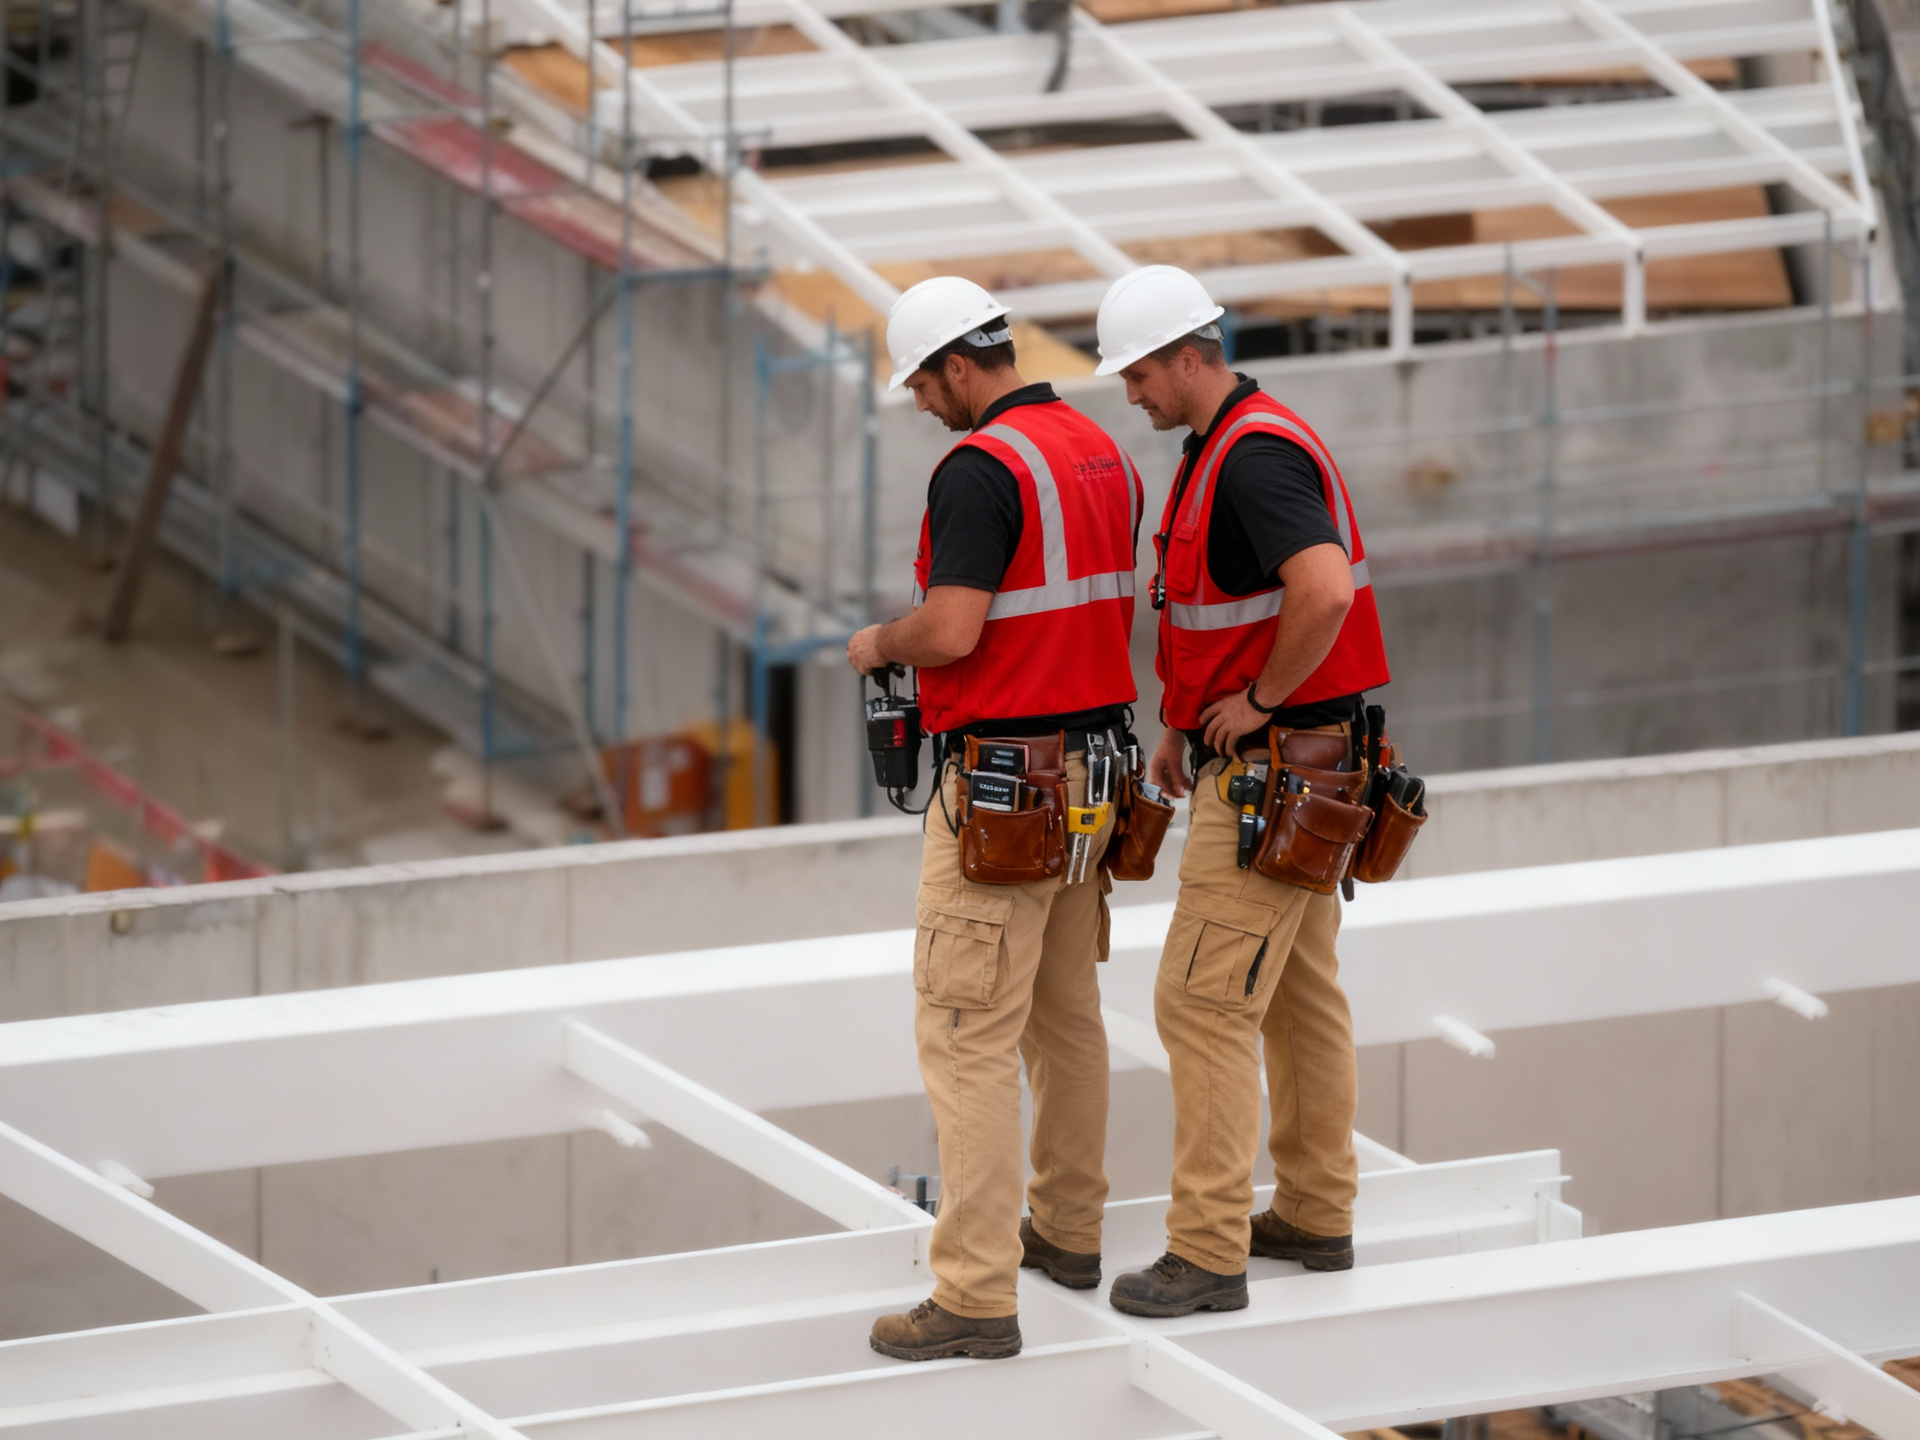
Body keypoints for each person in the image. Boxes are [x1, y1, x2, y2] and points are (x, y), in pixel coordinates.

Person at [848, 276, 1146, 1361]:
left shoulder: (980, 469)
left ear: (959, 368)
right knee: (1066, 1020)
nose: (924, 404)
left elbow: (956, 629)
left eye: (924, 384)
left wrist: (881, 643)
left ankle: (975, 1294)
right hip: (1094, 781)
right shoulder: (1098, 449)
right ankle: (1065, 1234)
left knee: (966, 1034)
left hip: (1004, 792)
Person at [1094, 265, 1391, 1318]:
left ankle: (1208, 1250)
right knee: (1301, 993)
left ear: (1189, 355)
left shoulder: (1251, 457)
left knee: (1200, 999)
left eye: (1138, 374)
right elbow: (1237, 606)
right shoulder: (1228, 448)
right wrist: (1192, 721)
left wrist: (1258, 704)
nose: (1131, 395)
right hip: (1298, 764)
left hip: (1277, 772)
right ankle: (1315, 1209)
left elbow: (1321, 588)